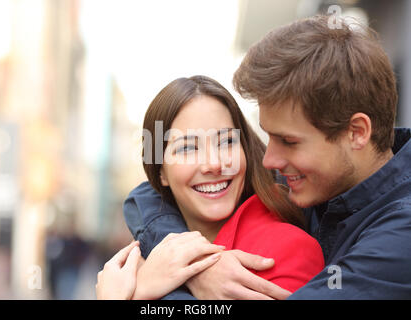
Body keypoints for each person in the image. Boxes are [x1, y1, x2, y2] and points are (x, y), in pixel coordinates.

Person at [122, 14, 411, 299]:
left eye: (288, 141)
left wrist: (137, 294)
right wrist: (194, 262)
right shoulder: (316, 177)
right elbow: (148, 195)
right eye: (268, 136)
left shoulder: (400, 238)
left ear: (357, 133)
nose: (268, 160)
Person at [96, 75, 324, 300]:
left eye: (226, 142)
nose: (214, 164)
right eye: (187, 148)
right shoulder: (138, 267)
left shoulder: (288, 248)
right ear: (160, 172)